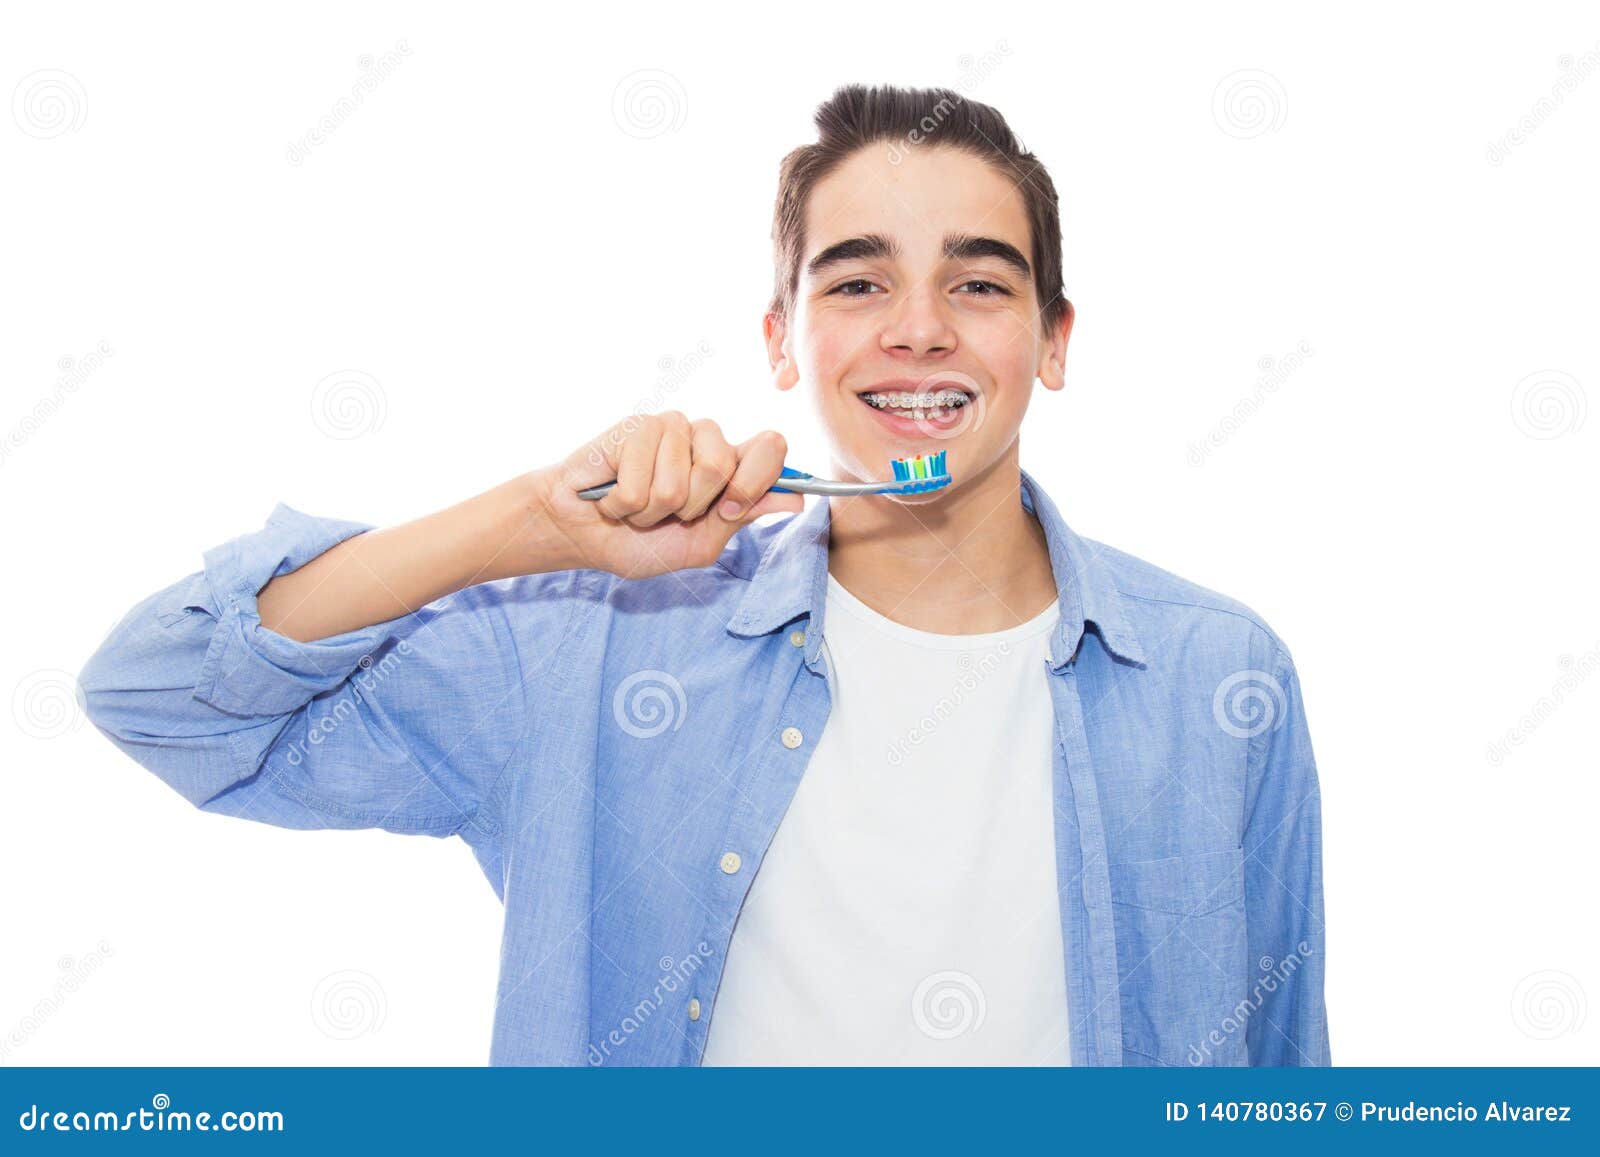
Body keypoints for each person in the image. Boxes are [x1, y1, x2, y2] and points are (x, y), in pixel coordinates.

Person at [79, 84, 1329, 1067]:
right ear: (784, 338)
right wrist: (530, 525)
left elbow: (1278, 1081)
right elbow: (162, 693)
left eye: (978, 281)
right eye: (857, 280)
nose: (917, 327)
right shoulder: (593, 642)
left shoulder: (1219, 673)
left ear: (1051, 341)